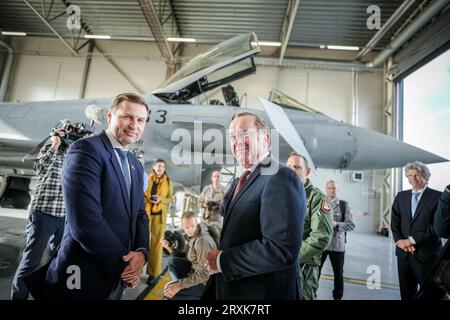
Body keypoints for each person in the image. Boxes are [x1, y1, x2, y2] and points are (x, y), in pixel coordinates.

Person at [23, 92, 150, 299]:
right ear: (110, 117)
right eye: (126, 117)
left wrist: (142, 253)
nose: (133, 124)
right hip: (81, 274)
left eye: (140, 120)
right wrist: (124, 265)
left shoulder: (134, 164)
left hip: (116, 277)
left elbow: (140, 214)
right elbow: (85, 221)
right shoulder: (86, 149)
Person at [202, 112, 306, 300]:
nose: (238, 141)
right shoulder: (238, 182)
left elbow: (280, 249)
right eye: (233, 137)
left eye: (244, 134)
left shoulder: (280, 176)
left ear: (266, 138)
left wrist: (222, 261)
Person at [11, 127, 69, 300]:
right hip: (43, 214)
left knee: (58, 262)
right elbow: (40, 169)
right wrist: (55, 145)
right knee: (31, 262)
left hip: (64, 217)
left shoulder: (74, 156)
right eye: (66, 134)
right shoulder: (50, 149)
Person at [391, 161, 441, 300]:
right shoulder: (401, 196)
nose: (412, 179)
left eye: (417, 175)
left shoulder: (438, 197)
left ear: (425, 177)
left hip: (426, 255)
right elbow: (395, 223)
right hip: (404, 254)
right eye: (409, 175)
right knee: (406, 294)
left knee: (430, 294)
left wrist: (411, 240)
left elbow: (437, 227)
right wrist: (400, 242)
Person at [286, 152, 333, 300]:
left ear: (307, 171)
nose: (292, 170)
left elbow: (321, 238)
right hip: (277, 265)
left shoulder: (317, 198)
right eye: (288, 167)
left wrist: (290, 257)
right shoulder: (279, 194)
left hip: (302, 268)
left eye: (297, 167)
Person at [162, 211, 217, 299]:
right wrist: (169, 248)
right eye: (187, 227)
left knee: (170, 295)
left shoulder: (202, 242)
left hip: (206, 284)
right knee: (173, 261)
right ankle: (185, 290)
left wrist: (179, 286)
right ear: (182, 226)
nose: (190, 229)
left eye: (192, 226)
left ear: (197, 223)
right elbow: (188, 256)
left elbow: (204, 274)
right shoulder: (194, 235)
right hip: (195, 271)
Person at [319, 180, 355, 300]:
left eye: (334, 188)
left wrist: (336, 225)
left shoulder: (344, 205)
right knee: (315, 270)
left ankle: (337, 296)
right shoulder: (320, 203)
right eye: (329, 188)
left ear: (338, 190)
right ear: (326, 189)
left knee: (338, 273)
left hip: (337, 246)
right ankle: (311, 290)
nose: (331, 190)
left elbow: (351, 225)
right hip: (321, 243)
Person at [144, 159, 173, 284]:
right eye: (158, 166)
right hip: (146, 213)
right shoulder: (147, 178)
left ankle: (153, 273)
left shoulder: (168, 181)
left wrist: (161, 200)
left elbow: (170, 198)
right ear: (154, 167)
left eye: (163, 166)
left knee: (156, 245)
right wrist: (149, 198)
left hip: (159, 216)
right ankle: (135, 270)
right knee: (140, 241)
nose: (161, 168)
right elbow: (142, 192)